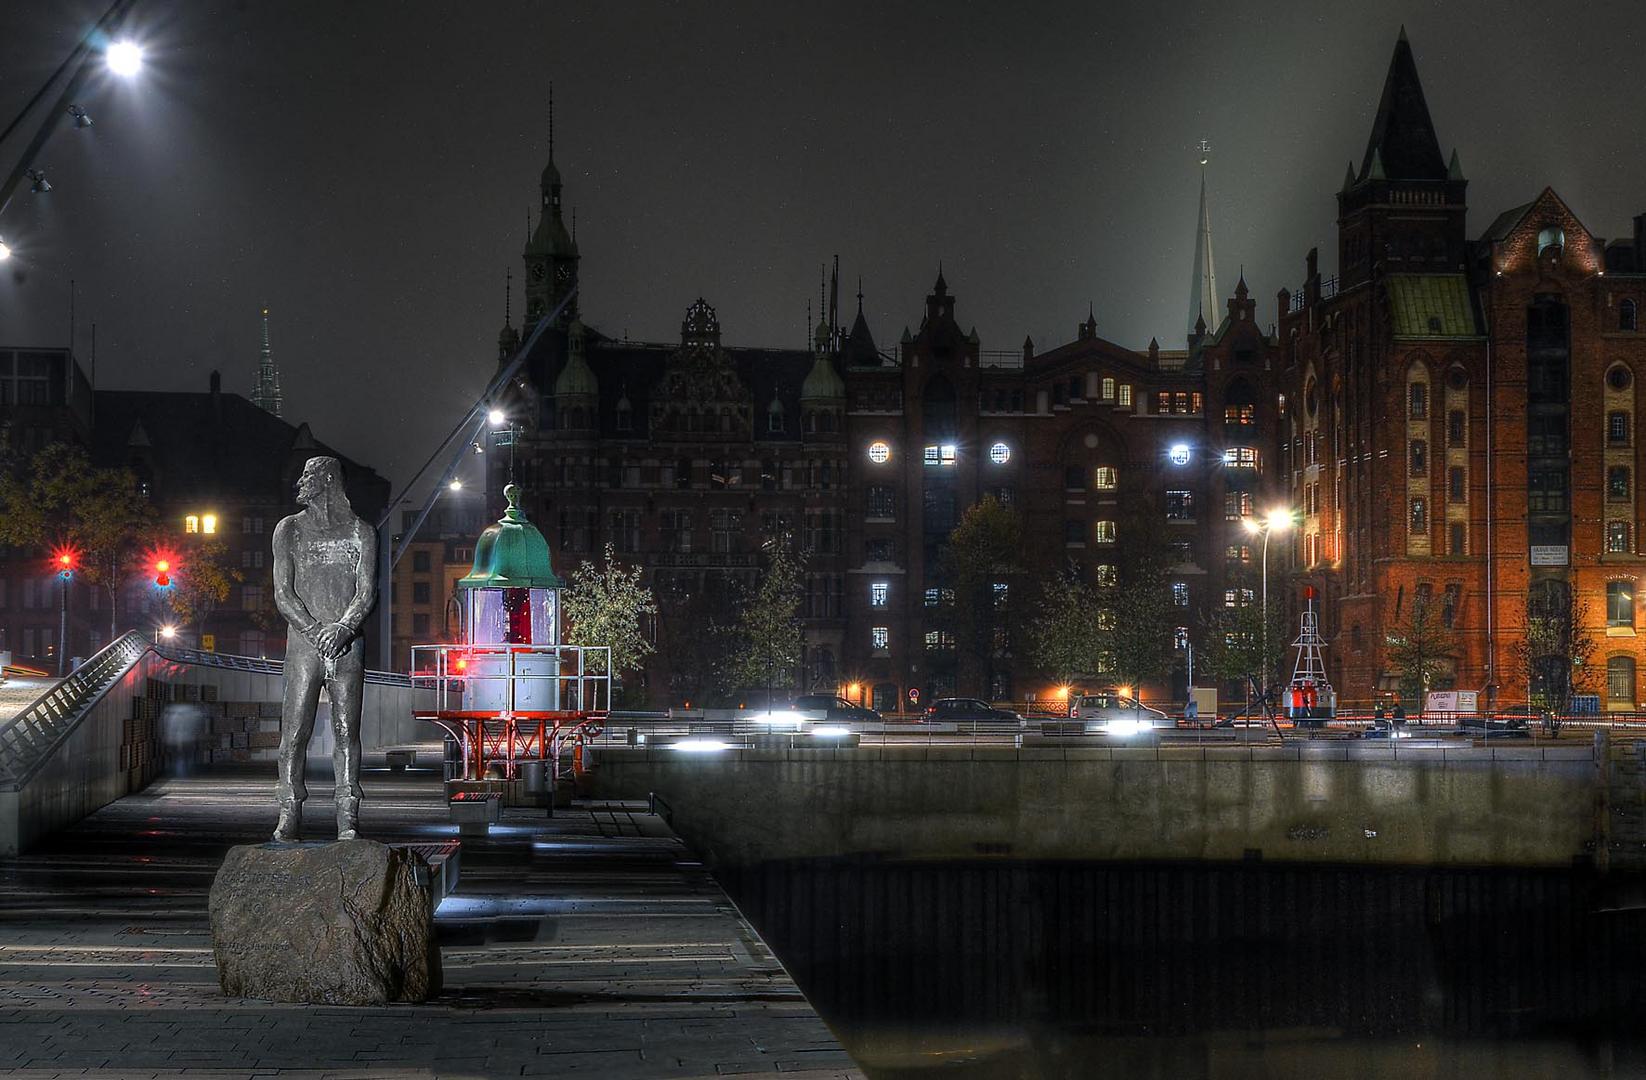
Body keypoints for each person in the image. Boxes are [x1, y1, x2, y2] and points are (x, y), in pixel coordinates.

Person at [270, 456, 378, 842]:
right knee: (294, 731)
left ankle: (348, 815)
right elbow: (284, 593)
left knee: (347, 732)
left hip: (346, 648)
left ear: (328, 481)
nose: (300, 483)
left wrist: (344, 627)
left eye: (308, 476)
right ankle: (289, 812)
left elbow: (366, 592)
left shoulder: (361, 532)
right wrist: (316, 630)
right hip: (304, 647)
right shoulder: (289, 530)